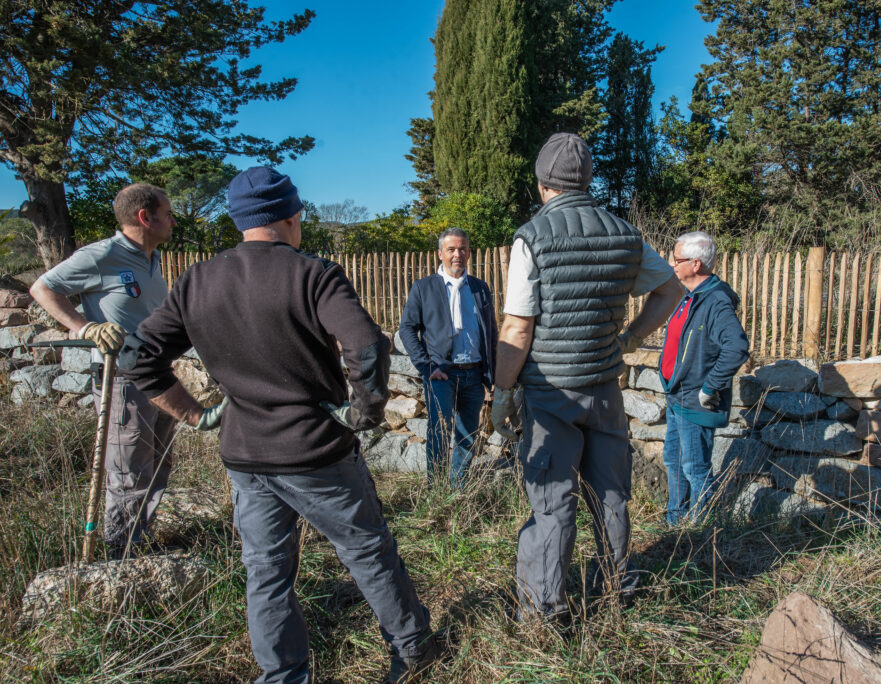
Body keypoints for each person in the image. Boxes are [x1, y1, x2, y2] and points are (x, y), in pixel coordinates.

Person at [121, 167, 437, 684]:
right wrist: (362, 415)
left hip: (245, 456)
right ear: (292, 217)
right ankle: (413, 648)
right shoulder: (315, 274)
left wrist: (197, 414)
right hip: (317, 453)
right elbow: (367, 345)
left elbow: (137, 356)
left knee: (266, 575)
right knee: (367, 553)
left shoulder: (197, 280)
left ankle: (284, 675)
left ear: (240, 220)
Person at [490, 132, 683, 622]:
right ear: (587, 180)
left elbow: (517, 325)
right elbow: (670, 291)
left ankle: (544, 610)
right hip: (605, 390)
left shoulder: (532, 237)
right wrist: (631, 339)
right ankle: (616, 591)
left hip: (550, 392)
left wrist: (503, 391)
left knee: (554, 504)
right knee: (611, 495)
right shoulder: (624, 233)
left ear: (542, 184)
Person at [30, 183, 180, 559]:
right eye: (169, 213)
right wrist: (84, 328)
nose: (174, 221)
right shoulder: (103, 255)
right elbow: (42, 289)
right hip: (121, 378)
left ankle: (140, 537)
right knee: (128, 468)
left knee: (159, 460)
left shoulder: (152, 258)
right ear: (145, 217)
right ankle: (120, 553)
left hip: (158, 374)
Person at [658, 231, 749, 525]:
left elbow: (736, 348)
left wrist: (710, 386)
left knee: (694, 466)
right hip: (678, 394)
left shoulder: (716, 301)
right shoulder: (692, 296)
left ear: (696, 264)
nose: (673, 264)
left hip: (696, 398)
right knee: (673, 459)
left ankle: (700, 529)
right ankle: (675, 520)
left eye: (677, 259)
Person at [399, 227, 497, 488]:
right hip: (440, 372)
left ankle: (458, 489)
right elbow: (407, 328)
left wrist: (492, 372)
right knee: (439, 432)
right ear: (440, 253)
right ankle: (436, 490)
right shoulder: (424, 287)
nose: (458, 254)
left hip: (474, 373)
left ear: (469, 252)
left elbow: (491, 331)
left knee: (468, 433)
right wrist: (425, 365)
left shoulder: (480, 288)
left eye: (463, 249)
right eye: (451, 249)